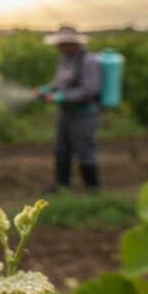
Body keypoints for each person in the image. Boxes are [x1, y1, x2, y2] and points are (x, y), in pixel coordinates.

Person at [34, 26, 101, 193]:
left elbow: (89, 90)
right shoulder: (64, 58)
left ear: (72, 43)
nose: (58, 47)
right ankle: (61, 185)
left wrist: (60, 97)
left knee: (84, 150)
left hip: (83, 114)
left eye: (61, 44)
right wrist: (46, 90)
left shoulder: (88, 61)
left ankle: (92, 188)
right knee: (61, 149)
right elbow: (59, 82)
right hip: (66, 112)